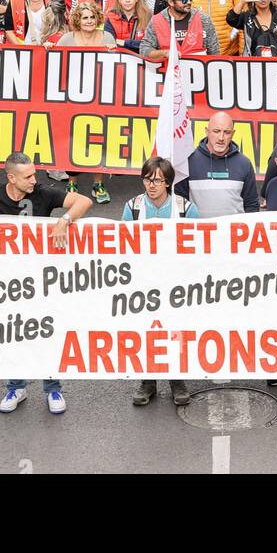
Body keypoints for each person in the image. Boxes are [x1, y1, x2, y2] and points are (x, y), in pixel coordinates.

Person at [0, 151, 92, 416]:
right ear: (11, 178)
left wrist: (64, 220)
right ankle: (16, 387)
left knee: (46, 332)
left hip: (42, 281)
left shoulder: (43, 193)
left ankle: (52, 388)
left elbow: (83, 201)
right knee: (13, 335)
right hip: (8, 283)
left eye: (34, 174)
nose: (35, 180)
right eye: (28, 176)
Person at [122, 156, 197, 409]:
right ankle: (148, 382)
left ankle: (177, 380)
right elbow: (121, 245)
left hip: (176, 284)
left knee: (175, 331)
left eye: (157, 180)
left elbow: (201, 247)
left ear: (168, 183)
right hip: (143, 283)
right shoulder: (132, 207)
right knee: (147, 331)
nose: (151, 185)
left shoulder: (185, 208)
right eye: (147, 179)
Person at [175, 112, 260, 216]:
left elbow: (252, 206)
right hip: (198, 231)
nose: (221, 137)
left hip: (234, 232)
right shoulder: (188, 161)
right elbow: (180, 203)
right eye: (216, 131)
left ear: (233, 134)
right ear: (207, 131)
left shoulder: (244, 164)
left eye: (227, 132)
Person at [140, 0, 221, 60]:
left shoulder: (203, 19)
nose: (189, 2)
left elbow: (215, 52)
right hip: (168, 71)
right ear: (171, 2)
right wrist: (164, 53)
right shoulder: (157, 21)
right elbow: (144, 50)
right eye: (184, 0)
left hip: (197, 71)